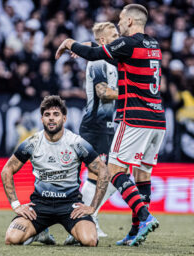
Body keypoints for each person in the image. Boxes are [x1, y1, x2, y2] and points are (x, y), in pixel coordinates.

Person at [56, 4, 166, 246]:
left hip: (135, 118)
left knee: (114, 171)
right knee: (142, 175)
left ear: (129, 21)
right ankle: (135, 232)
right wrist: (88, 50)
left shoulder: (129, 43)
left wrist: (69, 43)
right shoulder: (154, 46)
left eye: (120, 19)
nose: (118, 23)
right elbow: (117, 60)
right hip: (158, 120)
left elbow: (98, 55)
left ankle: (145, 218)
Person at [1, 95, 110, 246]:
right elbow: (7, 170)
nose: (51, 118)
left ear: (64, 118)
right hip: (40, 206)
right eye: (47, 115)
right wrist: (16, 205)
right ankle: (40, 232)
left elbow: (103, 171)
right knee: (11, 239)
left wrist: (92, 207)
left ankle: (74, 234)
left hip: (70, 206)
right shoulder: (32, 142)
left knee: (90, 240)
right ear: (42, 119)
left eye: (56, 114)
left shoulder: (76, 142)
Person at [64, 22, 119, 245]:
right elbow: (103, 92)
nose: (119, 37)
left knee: (112, 176)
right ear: (103, 41)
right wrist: (129, 93)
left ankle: (89, 216)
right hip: (95, 125)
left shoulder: (111, 58)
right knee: (101, 175)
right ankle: (86, 219)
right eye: (114, 35)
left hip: (105, 126)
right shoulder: (98, 61)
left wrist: (83, 45)